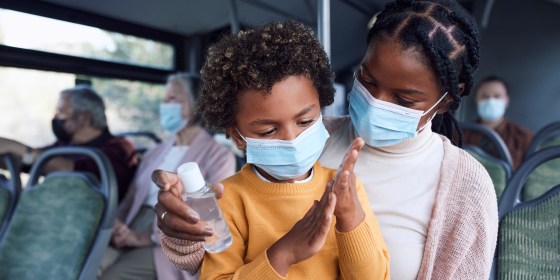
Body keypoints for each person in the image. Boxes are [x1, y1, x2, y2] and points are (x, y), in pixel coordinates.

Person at [154, 0, 499, 279]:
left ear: (448, 100)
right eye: (367, 80)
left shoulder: (466, 187)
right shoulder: (307, 138)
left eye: (405, 100)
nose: (377, 102)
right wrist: (183, 227)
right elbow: (215, 249)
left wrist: (350, 219)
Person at [160, 21, 389, 279]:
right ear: (237, 136)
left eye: (305, 122)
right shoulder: (227, 201)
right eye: (268, 131)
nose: (292, 139)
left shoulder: (343, 188)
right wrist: (283, 254)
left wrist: (349, 218)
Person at [99, 73, 236, 280]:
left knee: (114, 276)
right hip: (131, 225)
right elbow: (131, 198)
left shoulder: (219, 155)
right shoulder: (155, 152)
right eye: (164, 99)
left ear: (196, 104)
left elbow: (212, 214)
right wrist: (118, 226)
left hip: (171, 237)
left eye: (173, 99)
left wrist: (148, 237)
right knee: (88, 266)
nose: (165, 105)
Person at [0, 86, 137, 201]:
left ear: (84, 117)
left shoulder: (119, 148)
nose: (55, 118)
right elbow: (29, 161)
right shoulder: (65, 145)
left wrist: (16, 147)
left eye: (61, 112)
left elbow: (72, 172)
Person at [463, 75, 534, 169]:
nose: (490, 101)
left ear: (506, 100)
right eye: (485, 96)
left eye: (497, 96)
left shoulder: (523, 137)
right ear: (476, 100)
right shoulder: (460, 134)